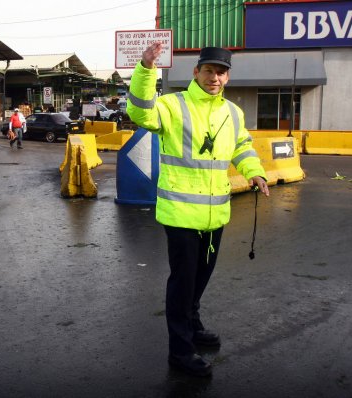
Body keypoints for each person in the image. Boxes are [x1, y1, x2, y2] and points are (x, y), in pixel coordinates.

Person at [127, 43, 270, 377]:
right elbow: (140, 111)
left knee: (201, 277)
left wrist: (255, 172)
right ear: (196, 72)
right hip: (180, 214)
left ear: (227, 77)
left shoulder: (233, 113)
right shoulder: (172, 105)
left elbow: (242, 146)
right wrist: (146, 70)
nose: (215, 77)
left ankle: (193, 323)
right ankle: (180, 350)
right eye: (209, 70)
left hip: (215, 213)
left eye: (221, 72)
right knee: (183, 281)